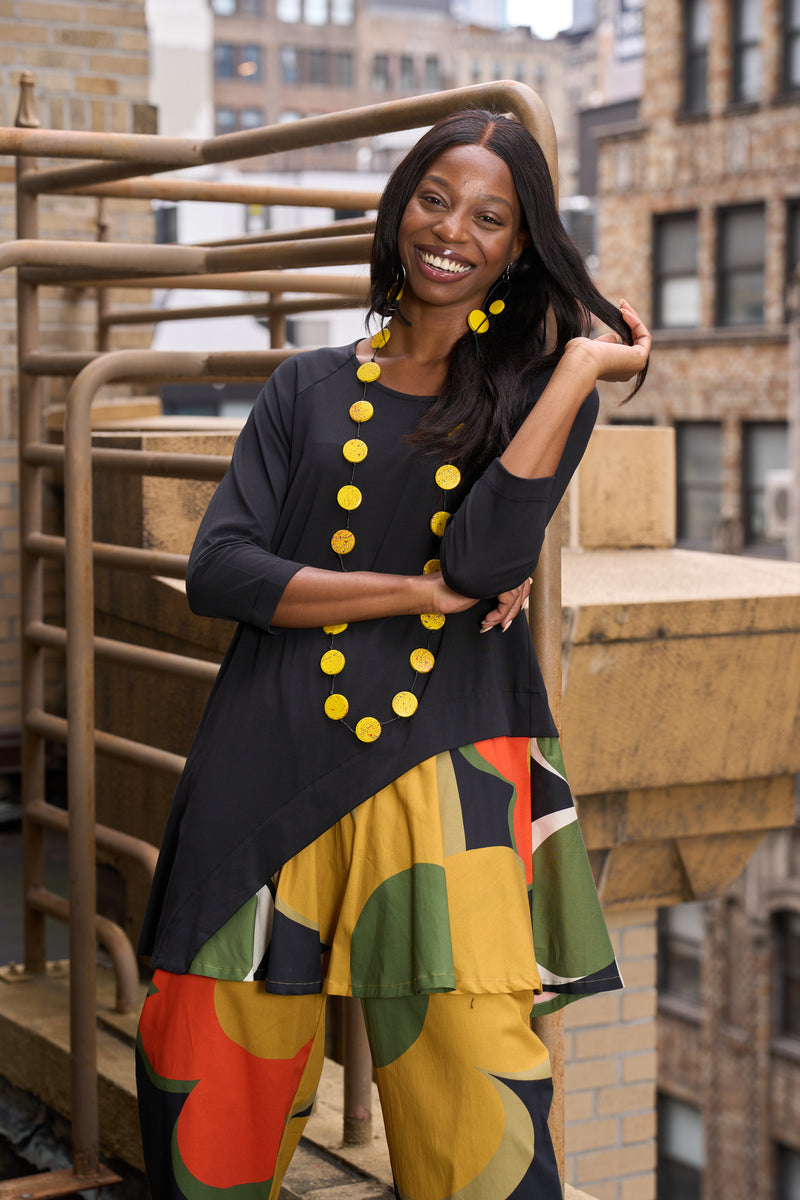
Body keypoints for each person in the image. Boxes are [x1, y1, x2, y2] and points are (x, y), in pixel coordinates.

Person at [135, 109, 651, 1200]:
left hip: (448, 768)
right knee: (207, 1099)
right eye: (433, 197)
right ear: (399, 204)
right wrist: (415, 591)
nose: (450, 230)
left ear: (518, 246)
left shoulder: (529, 395)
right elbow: (220, 569)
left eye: (489, 216)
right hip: (265, 763)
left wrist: (572, 375)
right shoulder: (304, 386)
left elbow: (485, 556)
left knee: (481, 1115)